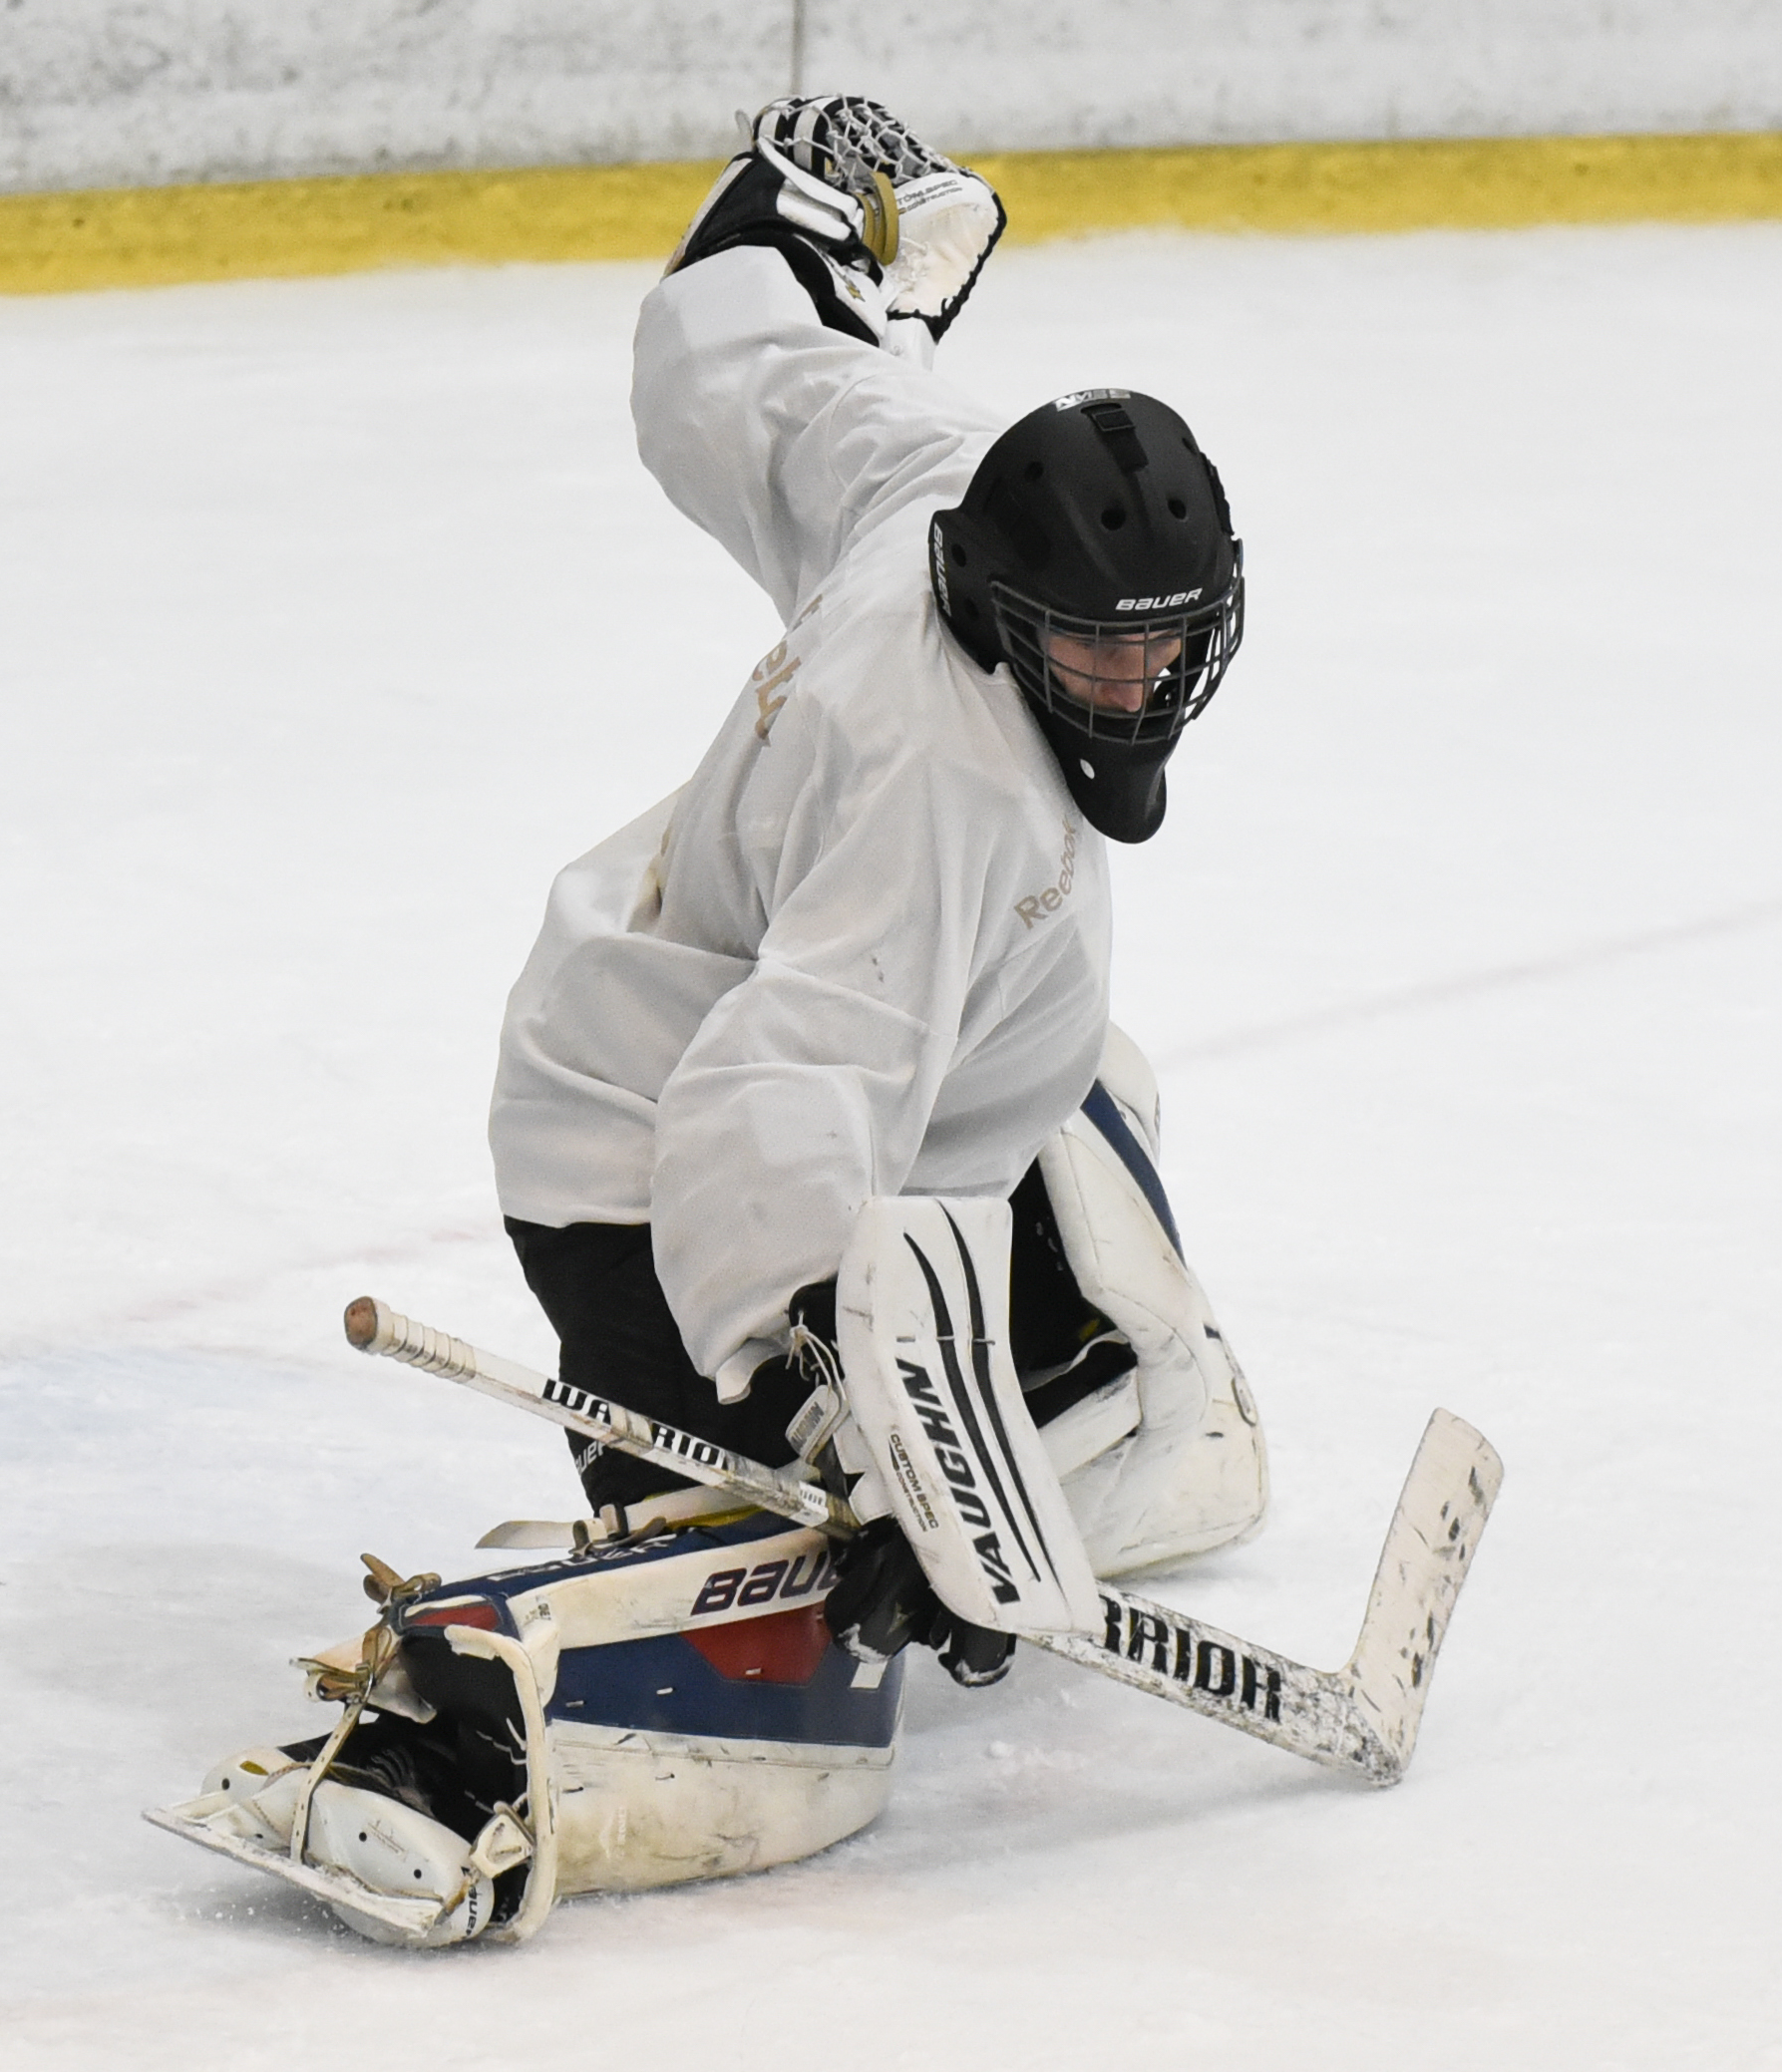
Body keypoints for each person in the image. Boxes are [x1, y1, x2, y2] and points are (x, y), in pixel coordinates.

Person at [156, 95, 1265, 1947]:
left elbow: (762, 388)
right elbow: (773, 1103)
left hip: (867, 1095)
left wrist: (781, 233)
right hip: (642, 1175)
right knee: (786, 1639)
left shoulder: (940, 495)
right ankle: (445, 1751)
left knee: (1052, 1053)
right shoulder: (941, 786)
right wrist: (879, 1452)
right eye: (1096, 645)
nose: (1135, 679)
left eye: (1166, 638)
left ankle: (1069, 1360)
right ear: (1005, 609)